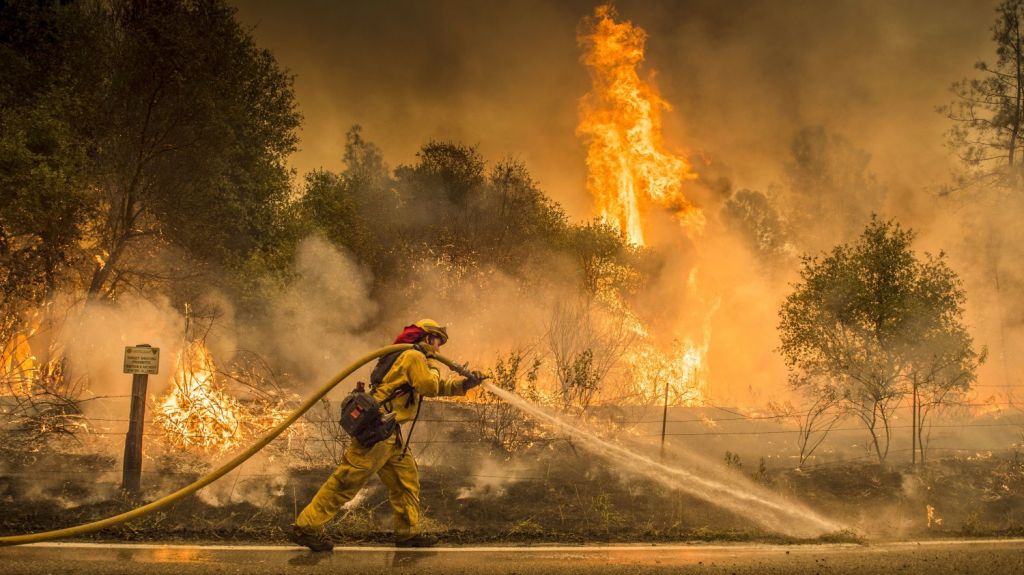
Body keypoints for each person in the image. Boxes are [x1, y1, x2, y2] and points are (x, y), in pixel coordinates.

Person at [288, 319, 483, 551]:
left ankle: (407, 534)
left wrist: (464, 385)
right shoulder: (414, 357)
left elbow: (434, 386)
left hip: (390, 433)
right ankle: (306, 527)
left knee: (406, 482)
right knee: (346, 481)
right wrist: (432, 361)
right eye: (437, 342)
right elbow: (429, 386)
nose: (439, 349)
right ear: (427, 337)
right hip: (377, 432)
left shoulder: (413, 358)